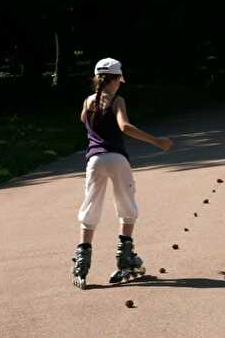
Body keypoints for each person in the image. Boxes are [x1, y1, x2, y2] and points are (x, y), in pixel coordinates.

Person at [72, 58, 173, 289]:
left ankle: (82, 260)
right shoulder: (118, 100)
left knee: (90, 206)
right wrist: (157, 141)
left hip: (94, 161)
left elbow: (82, 119)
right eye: (120, 79)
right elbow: (124, 126)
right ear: (116, 79)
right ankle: (125, 258)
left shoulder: (88, 101)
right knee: (126, 206)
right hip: (117, 158)